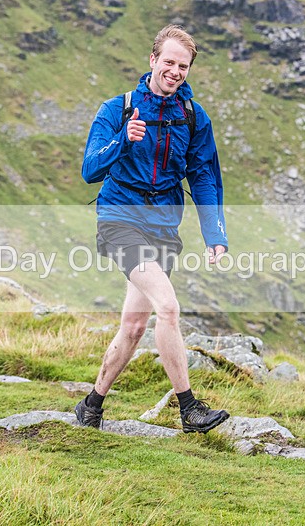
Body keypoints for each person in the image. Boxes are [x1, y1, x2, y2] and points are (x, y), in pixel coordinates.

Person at [77, 25, 230, 433]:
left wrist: (215, 234)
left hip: (164, 227)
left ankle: (92, 403)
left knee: (134, 325)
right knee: (169, 306)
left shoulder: (194, 117)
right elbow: (90, 170)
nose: (175, 71)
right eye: (169, 62)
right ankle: (189, 409)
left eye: (183, 65)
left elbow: (204, 177)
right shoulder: (118, 109)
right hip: (119, 221)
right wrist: (123, 141)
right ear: (152, 60)